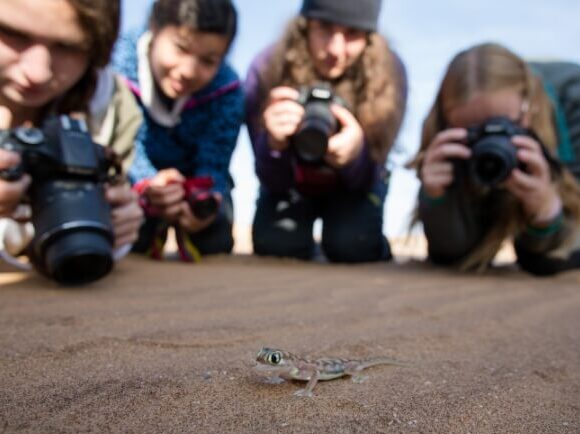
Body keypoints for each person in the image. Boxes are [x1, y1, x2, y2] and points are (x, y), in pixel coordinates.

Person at [245, 0, 407, 262]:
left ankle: (369, 239)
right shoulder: (267, 67)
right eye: (324, 28)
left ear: (369, 38)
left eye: (353, 33)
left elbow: (375, 169)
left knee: (354, 246)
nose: (335, 48)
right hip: (290, 184)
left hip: (355, 187)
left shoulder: (389, 73)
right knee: (275, 244)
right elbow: (269, 178)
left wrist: (356, 156)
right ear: (305, 25)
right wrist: (273, 145)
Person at [412, 43, 580, 275]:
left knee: (543, 259)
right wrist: (437, 199)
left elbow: (557, 252)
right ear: (447, 122)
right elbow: (453, 252)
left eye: (503, 125)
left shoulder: (573, 106)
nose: (490, 144)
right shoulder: (449, 145)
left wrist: (546, 210)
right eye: (474, 131)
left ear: (529, 107)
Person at [0, 0, 143, 272]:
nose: (38, 72)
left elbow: (120, 187)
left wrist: (115, 215)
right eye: (13, 33)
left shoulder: (111, 105)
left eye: (69, 47)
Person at [112, 0, 244, 262]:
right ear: (154, 28)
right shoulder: (115, 70)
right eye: (181, 48)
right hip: (134, 179)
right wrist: (148, 184)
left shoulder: (228, 90)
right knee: (130, 236)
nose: (188, 71)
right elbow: (121, 147)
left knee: (215, 238)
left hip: (195, 181)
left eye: (208, 60)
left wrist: (203, 200)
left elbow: (215, 161)